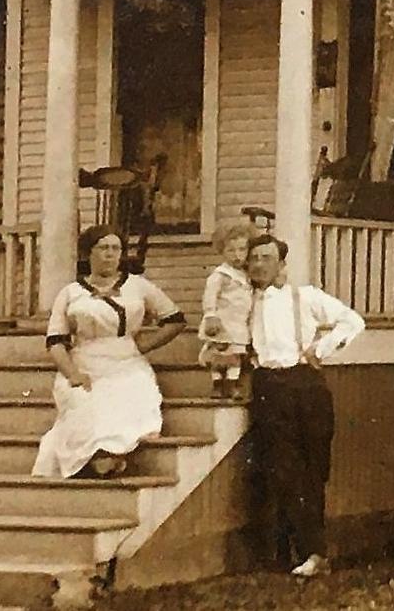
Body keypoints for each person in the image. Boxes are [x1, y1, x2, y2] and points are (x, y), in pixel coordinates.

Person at [245, 232, 365, 578]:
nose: (258, 264)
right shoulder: (245, 301)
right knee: (282, 470)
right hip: (268, 385)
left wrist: (320, 349)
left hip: (305, 384)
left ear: (282, 264)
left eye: (266, 258)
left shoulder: (305, 296)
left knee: (313, 470)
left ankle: (313, 552)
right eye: (253, 258)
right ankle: (294, 552)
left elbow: (353, 321)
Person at [32, 225, 187, 478]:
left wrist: (142, 347)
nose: (110, 254)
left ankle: (105, 456)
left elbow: (176, 320)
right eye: (103, 248)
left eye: (116, 249)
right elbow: (56, 342)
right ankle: (96, 458)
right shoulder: (70, 292)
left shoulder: (138, 286)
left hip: (126, 362)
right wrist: (72, 374)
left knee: (130, 400)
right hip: (85, 363)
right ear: (88, 253)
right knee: (84, 405)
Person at [197, 221, 256, 399]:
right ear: (222, 251)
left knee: (236, 356)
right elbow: (210, 296)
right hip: (222, 321)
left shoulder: (245, 275)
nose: (237, 255)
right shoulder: (221, 274)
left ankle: (231, 384)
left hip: (238, 322)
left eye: (242, 250)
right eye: (231, 250)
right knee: (219, 355)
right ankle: (217, 384)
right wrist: (210, 315)